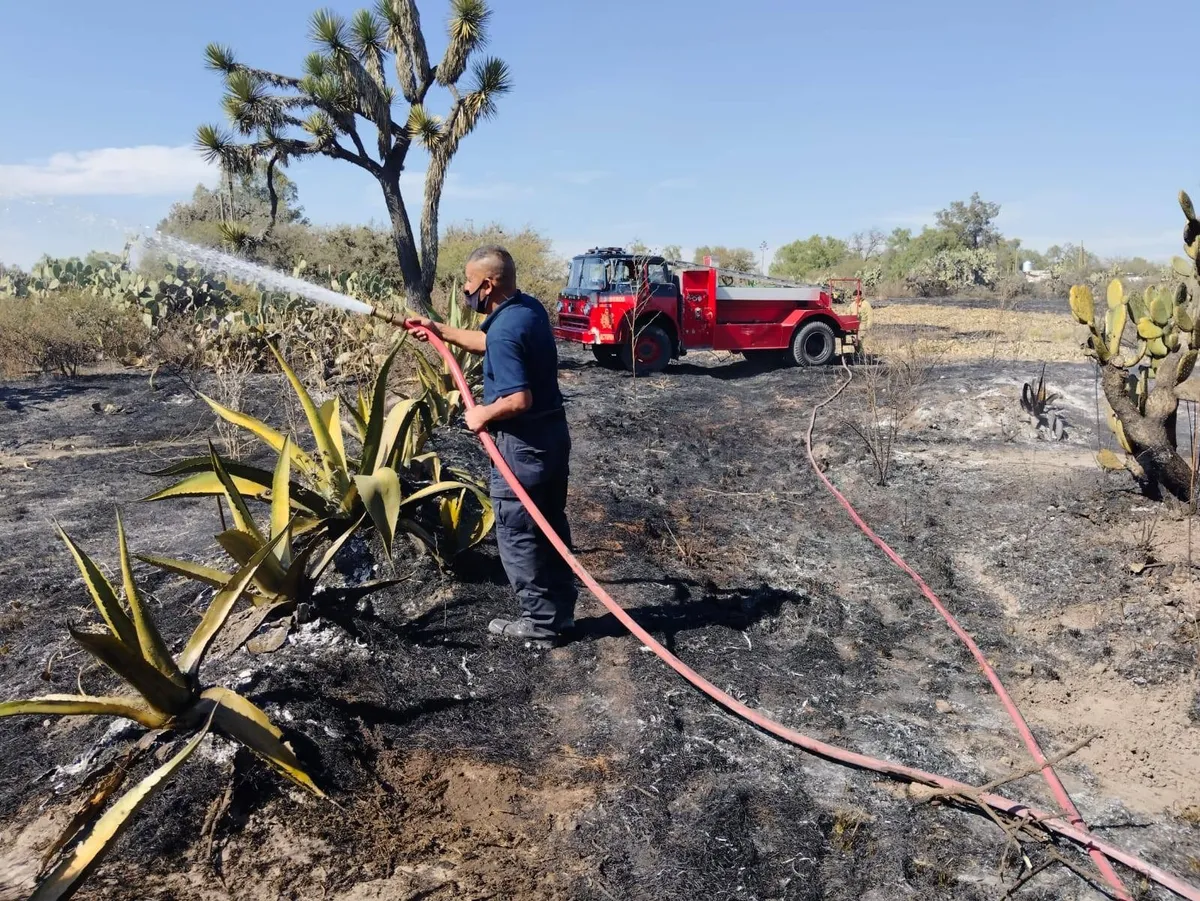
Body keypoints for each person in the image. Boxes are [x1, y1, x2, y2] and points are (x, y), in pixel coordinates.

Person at [406, 245, 578, 648]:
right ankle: (561, 613)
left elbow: (518, 400)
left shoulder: (504, 329)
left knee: (518, 532)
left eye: (468, 282)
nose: (464, 289)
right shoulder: (526, 310)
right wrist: (437, 329)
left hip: (522, 448)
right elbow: (487, 344)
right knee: (550, 524)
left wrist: (481, 415)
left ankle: (540, 622)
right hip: (552, 440)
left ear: (487, 284)